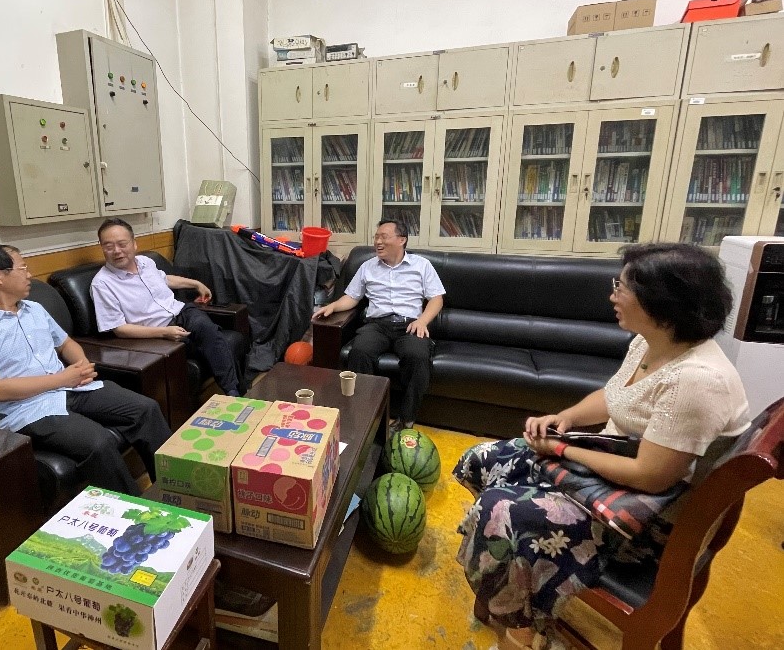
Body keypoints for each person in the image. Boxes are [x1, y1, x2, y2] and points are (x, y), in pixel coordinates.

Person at [453, 242, 751, 650]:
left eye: (621, 288)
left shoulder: (697, 381)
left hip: (644, 523)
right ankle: (515, 578)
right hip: (612, 470)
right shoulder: (650, 343)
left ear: (660, 303)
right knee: (482, 459)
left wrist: (561, 450)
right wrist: (566, 418)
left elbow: (650, 476)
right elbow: (615, 397)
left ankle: (522, 624)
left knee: (500, 511)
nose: (612, 295)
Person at [0, 244, 170, 498]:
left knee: (146, 409)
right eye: (22, 268)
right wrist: (62, 379)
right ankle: (137, 512)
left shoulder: (34, 309)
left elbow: (66, 343)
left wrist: (81, 366)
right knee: (99, 442)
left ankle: (174, 492)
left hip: (71, 388)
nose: (29, 275)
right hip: (27, 410)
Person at [312, 219, 445, 431]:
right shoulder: (368, 267)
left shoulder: (421, 265)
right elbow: (352, 297)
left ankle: (406, 421)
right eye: (376, 237)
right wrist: (333, 306)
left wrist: (422, 321)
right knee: (360, 352)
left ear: (402, 240)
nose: (378, 242)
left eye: (384, 237)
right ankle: (366, 416)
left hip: (410, 324)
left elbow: (436, 299)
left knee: (417, 356)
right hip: (377, 325)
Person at [90, 218, 243, 397]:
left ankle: (233, 392)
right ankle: (234, 393)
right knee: (214, 341)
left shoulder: (145, 262)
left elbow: (165, 279)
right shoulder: (102, 284)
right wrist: (164, 332)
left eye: (122, 244)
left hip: (181, 312)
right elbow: (119, 329)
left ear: (134, 244)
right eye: (108, 246)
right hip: (156, 331)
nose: (117, 251)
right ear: (102, 248)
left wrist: (196, 284)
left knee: (207, 330)